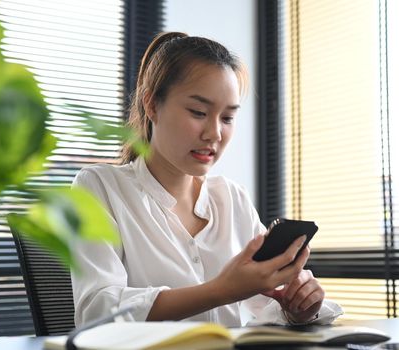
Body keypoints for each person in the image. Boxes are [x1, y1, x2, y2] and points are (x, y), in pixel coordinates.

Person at [71, 32, 342, 327]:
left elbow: (268, 304)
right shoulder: (99, 187)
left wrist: (298, 306)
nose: (214, 134)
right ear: (151, 105)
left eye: (227, 118)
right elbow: (97, 311)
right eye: (198, 112)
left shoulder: (232, 199)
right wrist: (221, 291)